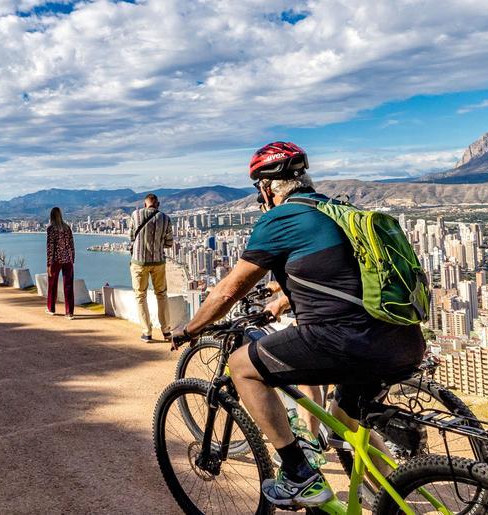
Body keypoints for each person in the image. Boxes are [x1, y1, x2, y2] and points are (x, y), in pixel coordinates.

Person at [170, 142, 425, 509]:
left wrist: (188, 330)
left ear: (267, 187)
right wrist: (281, 300)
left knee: (242, 367)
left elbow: (229, 290)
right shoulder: (337, 210)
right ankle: (399, 503)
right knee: (347, 428)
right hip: (403, 341)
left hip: (345, 342)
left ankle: (299, 476)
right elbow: (342, 278)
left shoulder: (279, 220)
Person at [126, 193, 174, 342]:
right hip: (158, 262)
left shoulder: (135, 215)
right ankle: (166, 331)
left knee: (140, 296)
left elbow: (131, 236)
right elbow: (169, 243)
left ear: (144, 204)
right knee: (161, 294)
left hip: (139, 262)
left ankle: (147, 332)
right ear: (158, 204)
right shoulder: (165, 218)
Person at [45, 206, 76, 318]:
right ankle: (69, 312)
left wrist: (49, 264)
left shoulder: (51, 229)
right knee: (68, 285)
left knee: (52, 285)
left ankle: (51, 308)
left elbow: (50, 248)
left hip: (56, 260)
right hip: (68, 260)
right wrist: (73, 259)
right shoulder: (67, 228)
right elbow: (72, 245)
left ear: (51, 216)